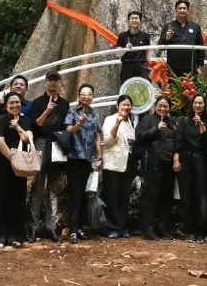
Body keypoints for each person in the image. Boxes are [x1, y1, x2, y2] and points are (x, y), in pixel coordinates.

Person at [28, 69, 70, 242]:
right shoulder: (37, 102)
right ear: (45, 82)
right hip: (41, 143)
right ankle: (33, 228)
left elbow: (66, 125)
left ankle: (51, 226)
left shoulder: (65, 104)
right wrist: (46, 111)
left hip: (57, 144)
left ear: (60, 82)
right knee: (37, 187)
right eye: (50, 80)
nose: (53, 83)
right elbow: (36, 124)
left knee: (54, 188)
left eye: (56, 80)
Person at [0, 92, 34, 248]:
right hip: (4, 163)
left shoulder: (25, 120)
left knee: (18, 199)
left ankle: (16, 236)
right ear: (6, 104)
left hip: (21, 167)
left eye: (17, 102)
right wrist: (12, 159)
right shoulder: (2, 119)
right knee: (0, 199)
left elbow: (27, 138)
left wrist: (17, 127)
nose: (14, 105)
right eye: (11, 102)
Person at [174, 94, 207, 243]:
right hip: (186, 160)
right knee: (187, 195)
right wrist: (176, 159)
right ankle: (190, 230)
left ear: (205, 105)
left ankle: (201, 231)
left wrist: (201, 126)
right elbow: (178, 142)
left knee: (202, 195)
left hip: (202, 160)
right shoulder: (184, 121)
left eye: (200, 103)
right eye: (195, 103)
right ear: (192, 105)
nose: (198, 105)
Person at [64, 84, 102, 244]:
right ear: (79, 96)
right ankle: (72, 229)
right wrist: (79, 123)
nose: (87, 97)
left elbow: (97, 137)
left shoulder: (94, 114)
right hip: (74, 158)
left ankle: (80, 227)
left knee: (85, 194)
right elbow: (68, 131)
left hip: (89, 159)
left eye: (90, 94)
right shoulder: (72, 112)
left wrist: (99, 156)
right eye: (83, 94)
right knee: (74, 193)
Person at [137, 96, 177, 240]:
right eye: (160, 105)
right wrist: (156, 129)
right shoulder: (148, 120)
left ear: (169, 108)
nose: (162, 109)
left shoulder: (172, 122)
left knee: (166, 196)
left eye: (166, 106)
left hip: (168, 164)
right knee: (151, 195)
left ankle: (163, 227)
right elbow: (140, 137)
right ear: (155, 106)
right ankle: (148, 227)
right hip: (153, 163)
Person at [101, 95, 136, 238]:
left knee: (123, 196)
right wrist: (116, 124)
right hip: (112, 163)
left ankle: (122, 226)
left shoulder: (132, 123)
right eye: (123, 105)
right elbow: (107, 141)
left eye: (128, 105)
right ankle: (111, 227)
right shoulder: (110, 119)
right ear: (117, 106)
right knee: (112, 196)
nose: (126, 107)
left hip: (128, 164)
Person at [159, 0, 205, 80]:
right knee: (173, 92)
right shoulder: (169, 26)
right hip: (174, 68)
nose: (182, 10)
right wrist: (167, 38)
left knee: (191, 91)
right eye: (180, 8)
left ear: (188, 10)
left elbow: (200, 48)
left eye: (184, 8)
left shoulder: (195, 27)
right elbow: (160, 46)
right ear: (175, 10)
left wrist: (199, 65)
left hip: (191, 68)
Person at [116, 11, 151, 81]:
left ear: (140, 21)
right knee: (127, 90)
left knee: (144, 90)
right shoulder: (122, 36)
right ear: (128, 21)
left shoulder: (145, 36)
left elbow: (147, 56)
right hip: (127, 67)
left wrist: (150, 68)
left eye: (136, 18)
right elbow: (117, 54)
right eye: (132, 18)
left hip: (141, 67)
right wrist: (126, 48)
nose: (134, 20)